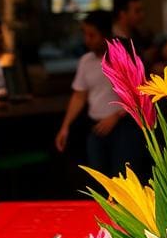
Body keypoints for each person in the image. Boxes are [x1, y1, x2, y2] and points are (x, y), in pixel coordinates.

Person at [55, 10, 146, 177]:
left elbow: (139, 91)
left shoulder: (121, 56)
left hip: (124, 126)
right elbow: (79, 96)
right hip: (96, 127)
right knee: (99, 180)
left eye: (92, 35)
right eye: (85, 34)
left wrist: (116, 116)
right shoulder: (86, 61)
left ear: (105, 34)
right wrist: (65, 126)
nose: (87, 40)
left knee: (124, 180)